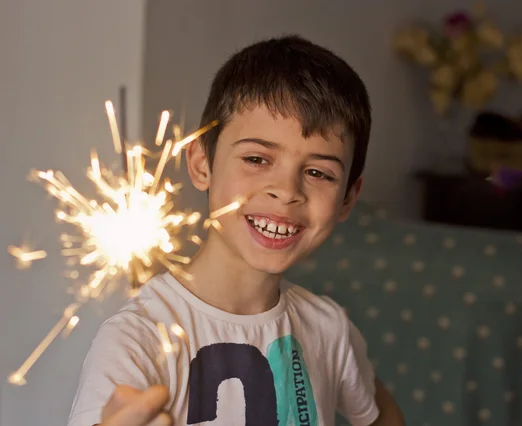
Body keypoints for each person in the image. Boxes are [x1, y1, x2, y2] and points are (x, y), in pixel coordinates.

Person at [68, 35, 405, 426]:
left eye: (318, 173)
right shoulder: (138, 339)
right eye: (257, 158)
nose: (286, 191)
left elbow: (380, 414)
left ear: (349, 196)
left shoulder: (328, 328)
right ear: (200, 163)